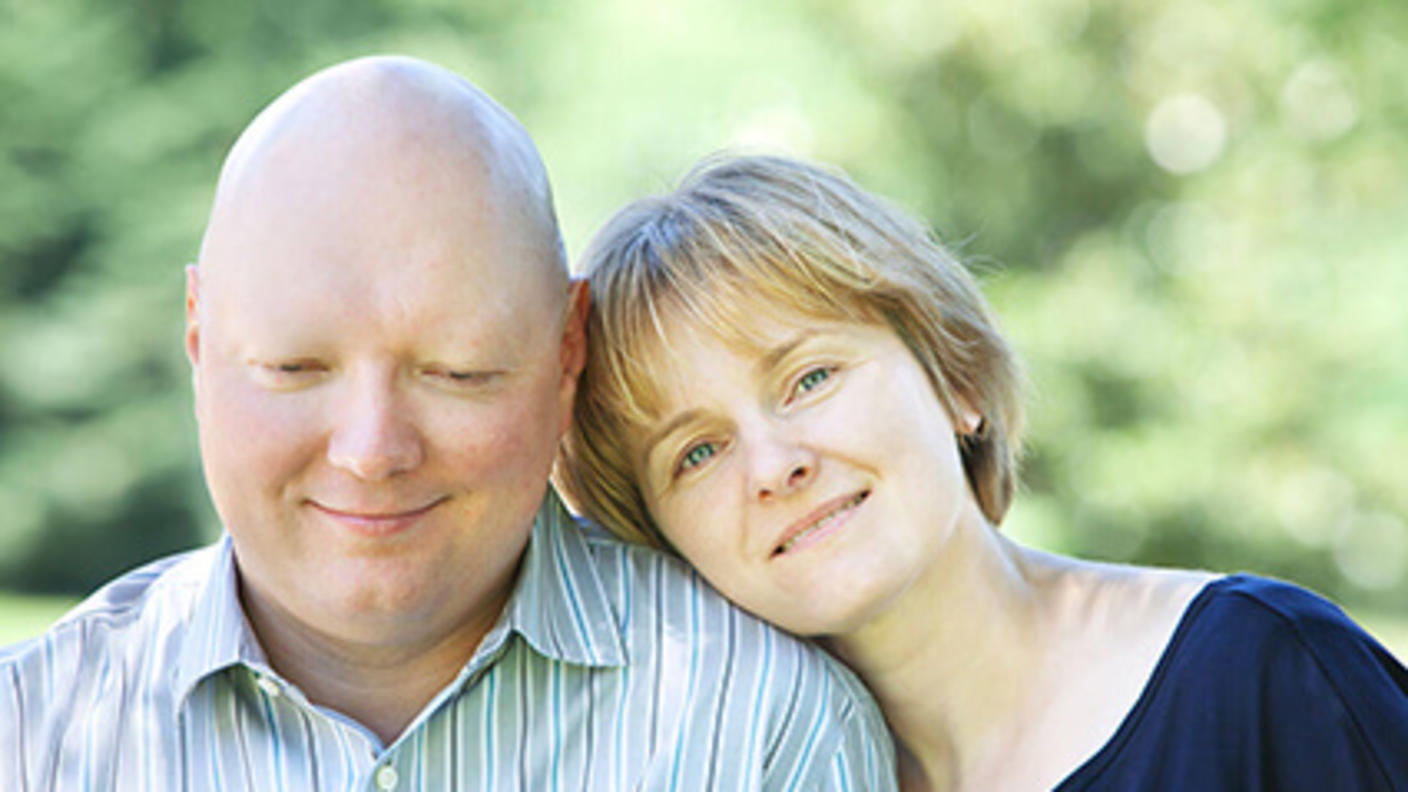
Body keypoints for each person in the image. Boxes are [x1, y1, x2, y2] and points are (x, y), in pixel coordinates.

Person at [0, 59, 896, 790]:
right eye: (294, 369)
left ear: (566, 352)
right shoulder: (31, 738)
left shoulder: (762, 727)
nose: (372, 451)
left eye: (457, 373)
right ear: (197, 340)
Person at [557, 153, 1408, 791]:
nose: (774, 468)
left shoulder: (1266, 673)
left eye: (809, 379)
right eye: (697, 453)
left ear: (955, 378)